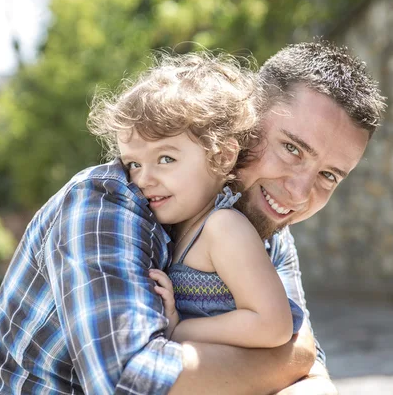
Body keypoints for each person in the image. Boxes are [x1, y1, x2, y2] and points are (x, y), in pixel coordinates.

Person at [0, 41, 386, 395]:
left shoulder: (265, 225)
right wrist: (285, 361)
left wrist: (290, 360)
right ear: (246, 124)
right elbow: (128, 379)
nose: (297, 192)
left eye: (328, 176)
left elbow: (310, 371)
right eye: (292, 149)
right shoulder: (104, 205)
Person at [89, 52, 305, 348]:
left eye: (165, 158)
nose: (142, 179)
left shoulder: (224, 227)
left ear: (222, 156)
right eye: (134, 164)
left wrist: (178, 331)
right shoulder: (175, 229)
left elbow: (273, 325)